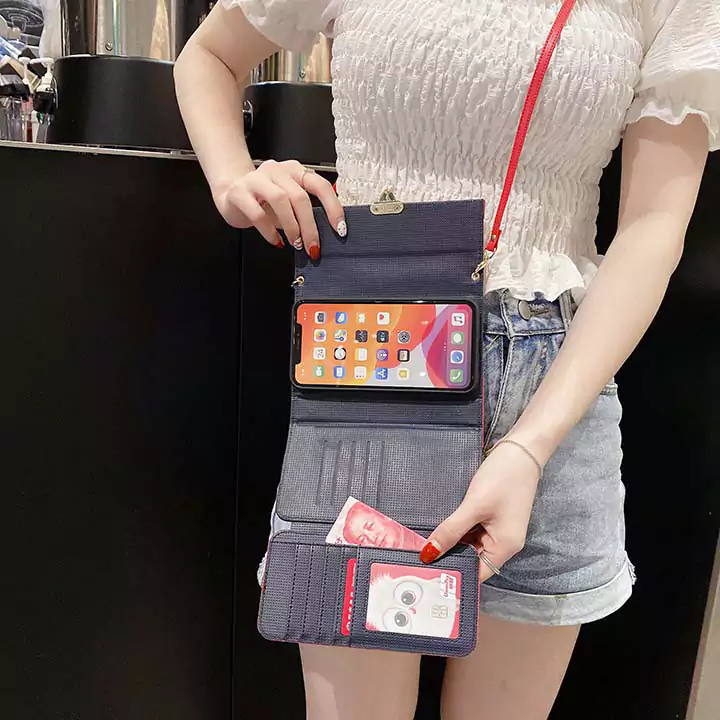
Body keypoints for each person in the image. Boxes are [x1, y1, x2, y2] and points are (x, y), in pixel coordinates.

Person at [174, 1, 719, 718]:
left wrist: (529, 446)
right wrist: (231, 176)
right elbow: (208, 56)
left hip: (557, 386)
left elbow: (653, 225)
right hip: (378, 365)